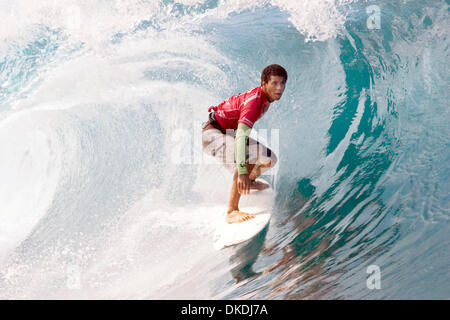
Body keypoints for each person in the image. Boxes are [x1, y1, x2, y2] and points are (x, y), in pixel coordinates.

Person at [202, 64, 287, 224]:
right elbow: (241, 138)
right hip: (212, 134)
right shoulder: (254, 104)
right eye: (274, 83)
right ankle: (232, 210)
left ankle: (249, 182)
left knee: (269, 158)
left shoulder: (265, 98)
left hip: (227, 133)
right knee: (245, 157)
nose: (279, 88)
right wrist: (242, 171)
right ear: (264, 83)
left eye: (282, 83)